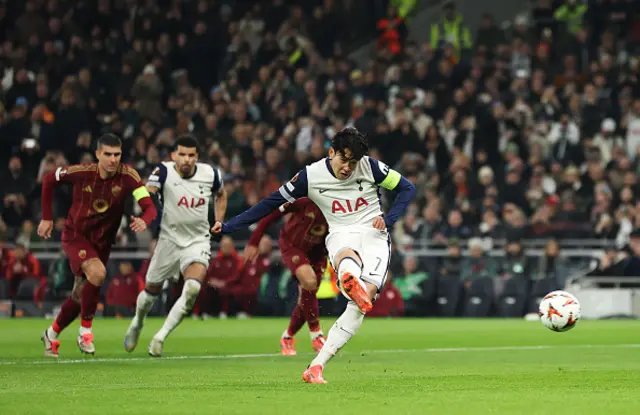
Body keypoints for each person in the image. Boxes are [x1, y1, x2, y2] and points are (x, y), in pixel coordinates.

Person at [213, 127, 416, 383]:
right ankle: (348, 279)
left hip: (374, 233)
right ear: (331, 152)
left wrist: (389, 219)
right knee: (347, 259)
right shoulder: (310, 176)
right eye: (344, 160)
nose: (348, 168)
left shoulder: (370, 167)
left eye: (353, 163)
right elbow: (271, 203)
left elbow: (407, 188)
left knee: (363, 303)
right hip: (341, 232)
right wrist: (230, 226)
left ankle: (316, 367)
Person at [38, 133, 157, 357]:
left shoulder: (129, 176)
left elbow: (149, 206)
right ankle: (85, 334)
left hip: (102, 242)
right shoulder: (81, 172)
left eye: (117, 154)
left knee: (79, 294)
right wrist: (46, 217)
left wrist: (145, 220)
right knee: (98, 273)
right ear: (97, 154)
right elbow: (48, 180)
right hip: (76, 235)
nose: (113, 159)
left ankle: (51, 334)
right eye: (108, 154)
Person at [124, 135, 227, 357]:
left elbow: (221, 195)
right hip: (168, 240)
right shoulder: (163, 171)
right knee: (150, 291)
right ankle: (137, 322)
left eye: (191, 155)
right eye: (182, 154)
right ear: (174, 156)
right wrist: (144, 211)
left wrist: (219, 220)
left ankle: (160, 337)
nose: (186, 159)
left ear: (197, 157)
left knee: (192, 289)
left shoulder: (211, 174)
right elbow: (146, 194)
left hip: (198, 240)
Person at [243, 197, 329, 356]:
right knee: (309, 283)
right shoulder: (304, 199)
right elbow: (271, 215)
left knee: (306, 298)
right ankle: (317, 335)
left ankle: (288, 337)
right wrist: (254, 241)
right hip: (293, 246)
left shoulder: (342, 205)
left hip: (319, 253)